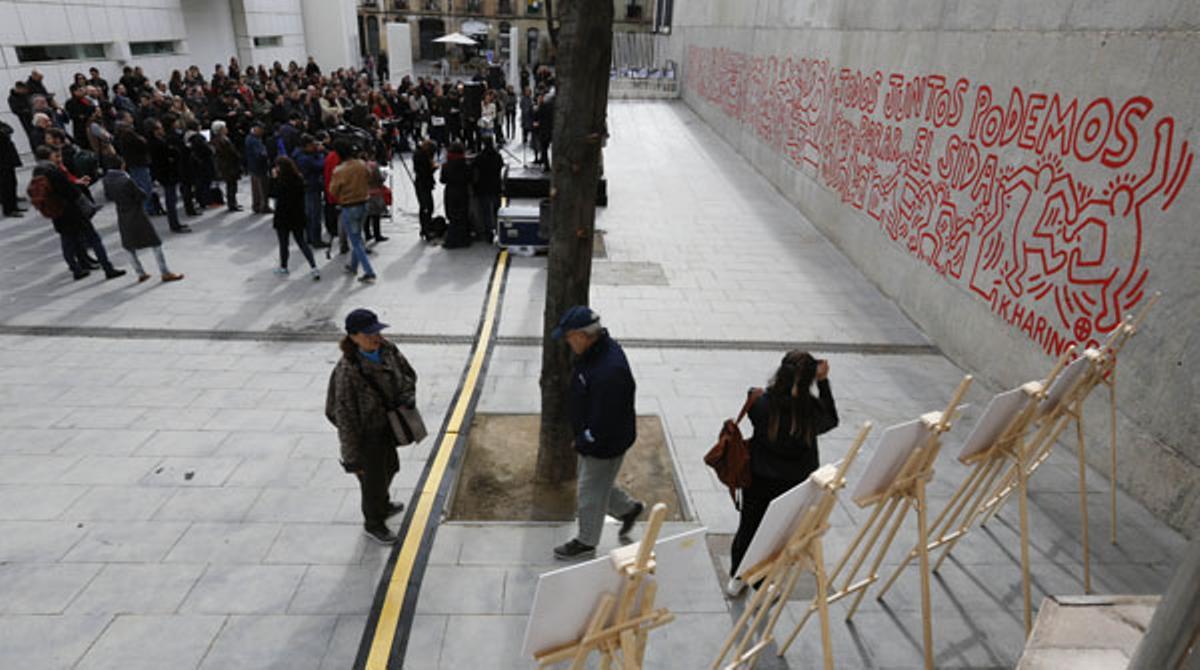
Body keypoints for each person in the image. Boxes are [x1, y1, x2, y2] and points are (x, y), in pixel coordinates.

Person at [725, 351, 838, 596]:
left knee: (748, 529)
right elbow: (831, 419)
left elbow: (759, 407)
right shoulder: (811, 411)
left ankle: (737, 577)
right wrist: (823, 382)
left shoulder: (759, 402)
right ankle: (762, 582)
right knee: (776, 534)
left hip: (758, 480)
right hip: (794, 485)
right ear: (808, 379)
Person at [550, 306, 644, 560]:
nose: (567, 342)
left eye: (569, 336)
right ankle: (629, 509)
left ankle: (586, 542)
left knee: (589, 492)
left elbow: (606, 422)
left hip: (604, 443)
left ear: (583, 335)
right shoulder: (597, 352)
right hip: (598, 437)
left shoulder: (609, 371)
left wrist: (584, 440)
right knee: (594, 482)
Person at [326, 309, 416, 544]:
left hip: (388, 426)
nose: (375, 337)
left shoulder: (387, 349)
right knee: (372, 482)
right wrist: (352, 459)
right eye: (368, 334)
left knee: (391, 468)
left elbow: (408, 374)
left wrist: (406, 396)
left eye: (376, 331)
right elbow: (345, 418)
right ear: (353, 336)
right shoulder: (348, 371)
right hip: (367, 436)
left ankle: (383, 505)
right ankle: (373, 523)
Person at [30, 145, 125, 281]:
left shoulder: (37, 173)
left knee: (67, 241)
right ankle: (108, 268)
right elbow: (71, 193)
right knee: (94, 239)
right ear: (49, 156)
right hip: (73, 211)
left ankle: (76, 269)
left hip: (57, 212)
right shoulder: (53, 171)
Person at [100, 154, 183, 284]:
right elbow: (142, 195)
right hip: (137, 214)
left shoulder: (106, 180)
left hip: (122, 214)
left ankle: (140, 273)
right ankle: (164, 272)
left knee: (129, 246)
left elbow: (109, 197)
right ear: (122, 165)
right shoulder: (126, 180)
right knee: (155, 243)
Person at [269, 156, 320, 280]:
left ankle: (284, 267)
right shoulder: (299, 178)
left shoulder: (280, 182)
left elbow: (272, 194)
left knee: (283, 243)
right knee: (301, 242)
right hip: (297, 215)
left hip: (283, 216)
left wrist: (273, 179)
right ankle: (313, 267)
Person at [329, 149, 376, 282]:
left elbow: (333, 190)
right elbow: (370, 176)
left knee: (355, 241)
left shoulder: (339, 170)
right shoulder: (362, 164)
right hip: (364, 203)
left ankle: (369, 272)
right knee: (357, 236)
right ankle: (353, 266)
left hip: (349, 206)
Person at [292, 134, 328, 247]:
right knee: (314, 214)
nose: (315, 147)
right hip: (311, 187)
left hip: (306, 186)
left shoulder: (298, 153)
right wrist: (321, 153)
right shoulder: (304, 158)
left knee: (308, 213)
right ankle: (316, 239)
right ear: (307, 145)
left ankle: (309, 237)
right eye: (313, 145)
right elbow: (320, 165)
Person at [439, 142, 471, 249]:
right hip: (462, 191)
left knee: (452, 216)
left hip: (451, 191)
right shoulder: (465, 165)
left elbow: (442, 180)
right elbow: (470, 178)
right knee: (463, 215)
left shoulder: (446, 165)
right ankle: (464, 239)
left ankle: (451, 240)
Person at [472, 137, 503, 241]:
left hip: (483, 186)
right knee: (496, 210)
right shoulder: (498, 156)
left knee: (485, 211)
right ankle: (499, 230)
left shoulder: (479, 157)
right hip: (495, 186)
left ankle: (488, 232)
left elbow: (474, 169)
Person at [211, 120, 243, 212]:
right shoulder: (222, 140)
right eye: (224, 127)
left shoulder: (218, 139)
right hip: (229, 165)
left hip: (226, 165)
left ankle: (233, 202)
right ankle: (232, 204)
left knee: (231, 185)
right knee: (231, 185)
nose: (226, 129)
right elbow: (230, 152)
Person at [413, 140, 437, 240]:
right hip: (423, 184)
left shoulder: (419, 154)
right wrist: (433, 168)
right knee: (427, 207)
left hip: (423, 183)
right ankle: (426, 229)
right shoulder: (421, 157)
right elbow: (424, 171)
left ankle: (425, 228)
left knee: (425, 207)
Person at [244, 123, 271, 214]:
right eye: (261, 130)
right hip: (259, 166)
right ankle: (264, 206)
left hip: (252, 166)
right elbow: (260, 154)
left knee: (255, 187)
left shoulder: (249, 138)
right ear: (257, 129)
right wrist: (266, 156)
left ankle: (257, 205)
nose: (263, 132)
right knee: (262, 187)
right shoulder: (255, 140)